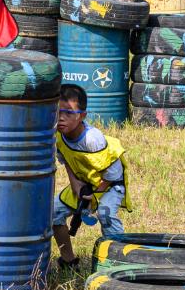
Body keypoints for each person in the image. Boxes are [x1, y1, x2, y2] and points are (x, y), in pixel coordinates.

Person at [51, 85, 132, 269]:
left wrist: (94, 197)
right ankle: (68, 261)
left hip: (109, 185)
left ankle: (118, 262)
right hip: (84, 184)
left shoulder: (92, 139)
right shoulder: (58, 135)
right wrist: (75, 187)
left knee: (106, 214)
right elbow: (67, 162)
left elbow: (113, 173)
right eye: (58, 111)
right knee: (53, 213)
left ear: (82, 116)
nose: (61, 117)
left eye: (68, 113)